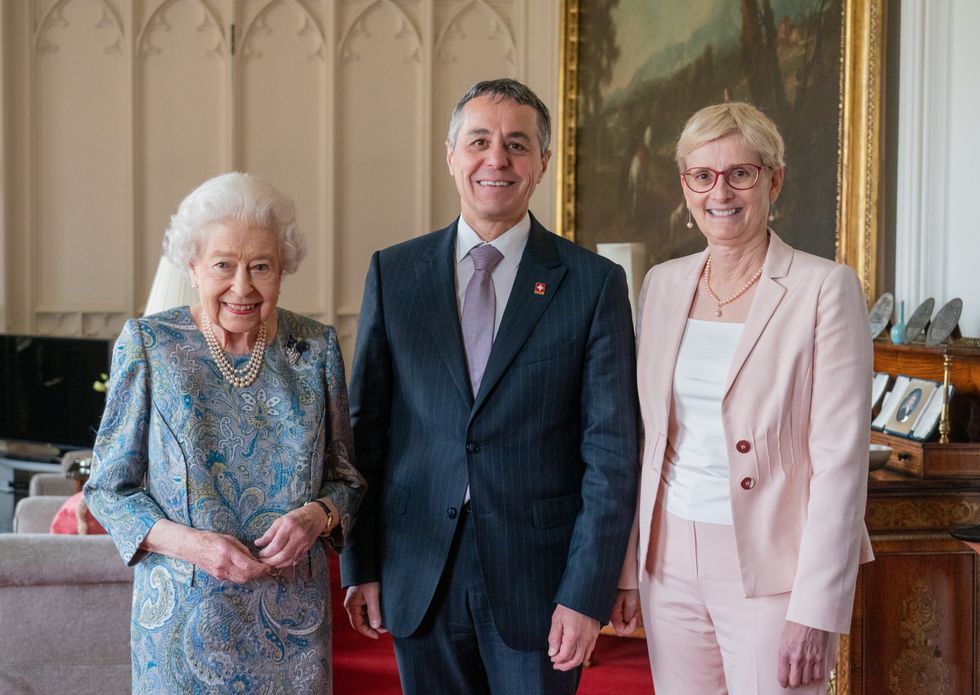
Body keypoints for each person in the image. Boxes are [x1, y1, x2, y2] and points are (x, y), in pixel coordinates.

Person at [340, 78, 639, 694]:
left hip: (542, 582)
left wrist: (587, 593)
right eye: (479, 141)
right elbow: (365, 433)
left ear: (542, 164)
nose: (496, 159)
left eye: (517, 144)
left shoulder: (592, 284)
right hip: (420, 569)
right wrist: (359, 566)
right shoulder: (394, 274)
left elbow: (611, 454)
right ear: (451, 155)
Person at [610, 102, 874, 694]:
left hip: (774, 563)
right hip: (668, 558)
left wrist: (818, 606)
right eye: (702, 176)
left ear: (773, 180)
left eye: (741, 174)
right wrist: (629, 568)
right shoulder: (662, 283)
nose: (719, 191)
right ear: (685, 186)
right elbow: (645, 439)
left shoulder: (824, 288)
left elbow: (840, 463)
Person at [84, 172, 365, 692]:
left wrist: (318, 515)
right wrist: (196, 547)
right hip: (181, 620)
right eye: (223, 265)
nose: (243, 286)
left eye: (261, 266)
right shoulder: (150, 345)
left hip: (293, 624)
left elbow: (346, 478)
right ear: (192, 267)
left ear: (283, 270)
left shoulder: (315, 349)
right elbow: (107, 490)